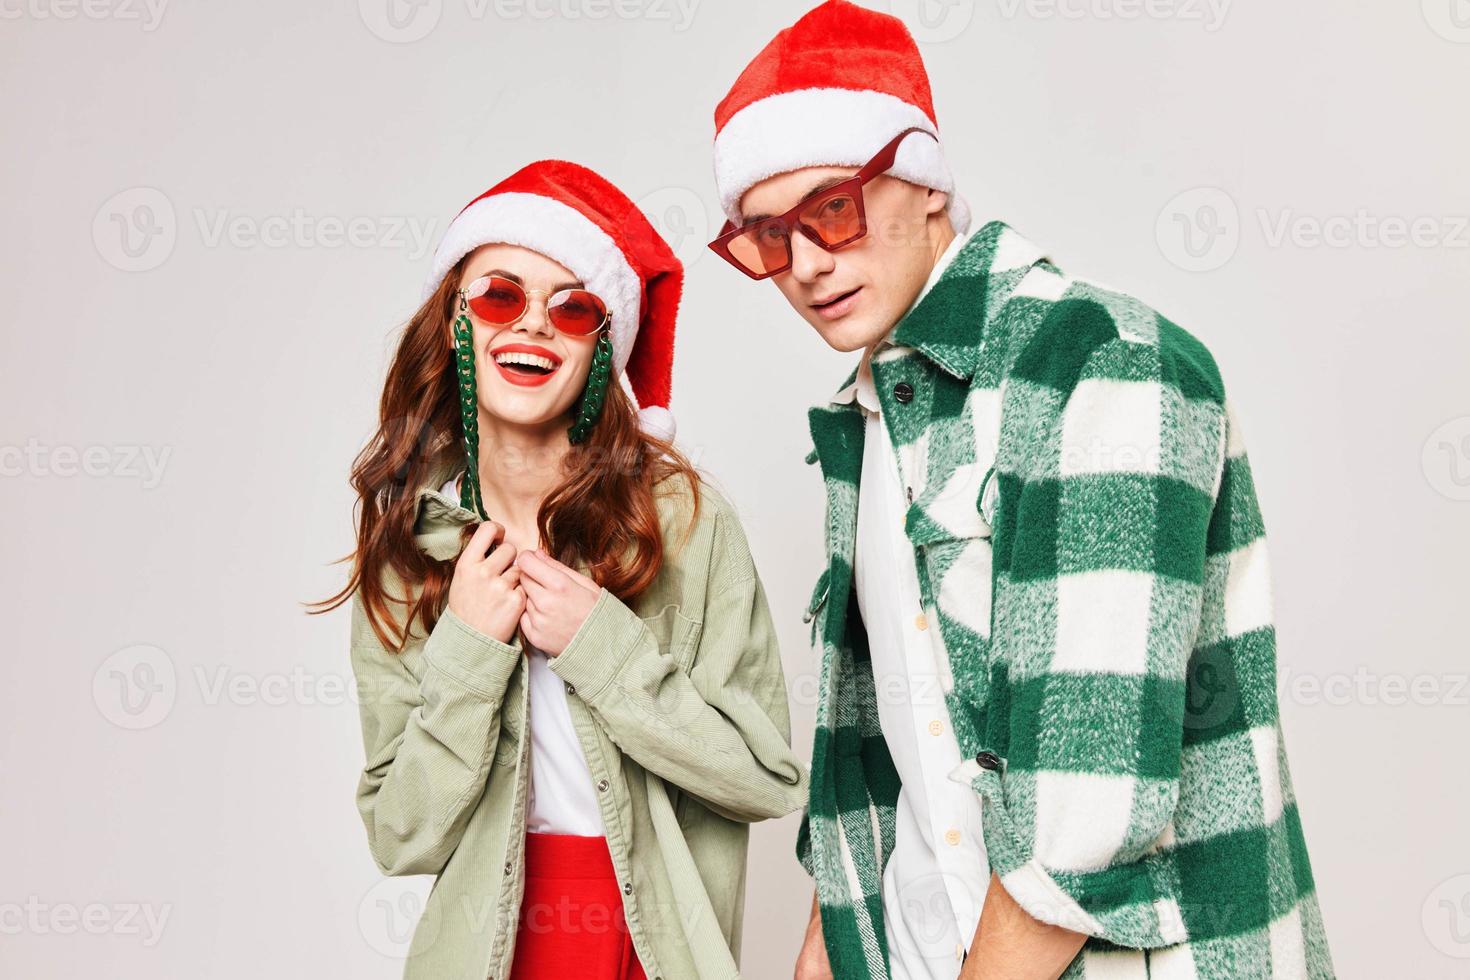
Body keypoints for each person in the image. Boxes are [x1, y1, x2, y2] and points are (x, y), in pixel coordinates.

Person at [704, 3, 1333, 978]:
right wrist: (824, 948)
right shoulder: (871, 417)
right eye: (765, 237)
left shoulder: (1104, 366)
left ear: (924, 181)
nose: (807, 263)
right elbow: (902, 752)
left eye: (832, 208)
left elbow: (1082, 808)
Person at [319, 159, 807, 980]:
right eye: (500, 296)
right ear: (455, 322)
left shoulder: (684, 523)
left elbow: (764, 780)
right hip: (490, 945)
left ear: (601, 346)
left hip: (656, 940)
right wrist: (471, 651)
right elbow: (401, 836)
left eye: (573, 308)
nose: (532, 326)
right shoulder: (413, 552)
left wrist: (602, 649)